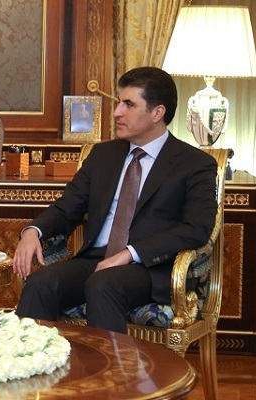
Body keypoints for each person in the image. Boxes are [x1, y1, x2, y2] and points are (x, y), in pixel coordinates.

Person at [13, 66, 218, 333]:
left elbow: (196, 228)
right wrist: (32, 231)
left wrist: (130, 253)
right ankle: (32, 357)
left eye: (129, 105)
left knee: (104, 284)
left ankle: (110, 363)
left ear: (157, 112)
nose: (117, 112)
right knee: (41, 283)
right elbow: (67, 208)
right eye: (119, 103)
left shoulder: (194, 163)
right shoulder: (103, 155)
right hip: (95, 260)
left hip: (148, 267)